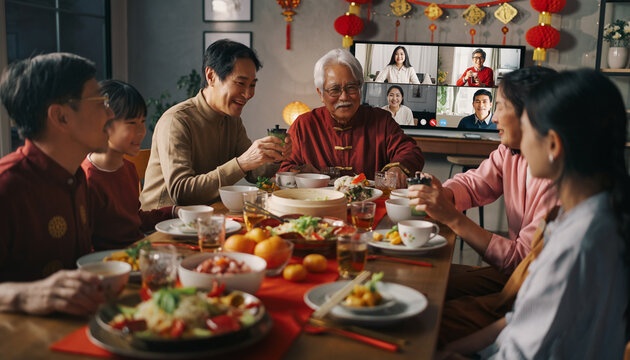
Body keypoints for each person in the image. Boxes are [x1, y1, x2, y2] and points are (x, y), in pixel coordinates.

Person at [441, 69, 629, 360]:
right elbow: (523, 318)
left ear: (553, 144)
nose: (518, 146)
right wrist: (456, 349)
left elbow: (521, 351)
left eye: (527, 130)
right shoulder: (588, 215)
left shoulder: (577, 243)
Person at [408, 67, 558, 345]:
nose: (495, 116)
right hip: (515, 274)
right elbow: (475, 182)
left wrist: (453, 218)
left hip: (531, 285)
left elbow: (520, 261)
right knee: (417, 284)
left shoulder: (555, 174)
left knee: (423, 316)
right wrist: (444, 194)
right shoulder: (509, 152)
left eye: (500, 106)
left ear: (532, 114)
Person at [0, 53, 111, 315]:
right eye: (100, 102)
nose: (110, 112)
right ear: (60, 117)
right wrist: (25, 295)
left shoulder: (77, 175)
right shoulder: (7, 186)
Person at [140, 39, 291, 209]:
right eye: (240, 83)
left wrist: (274, 156)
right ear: (211, 76)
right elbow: (181, 193)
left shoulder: (232, 120)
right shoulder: (176, 121)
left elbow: (253, 174)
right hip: (162, 224)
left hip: (210, 216)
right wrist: (242, 163)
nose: (248, 94)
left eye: (252, 85)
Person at [279, 48, 424, 188]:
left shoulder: (381, 120)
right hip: (319, 207)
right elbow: (284, 167)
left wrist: (398, 168)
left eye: (351, 88)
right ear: (321, 94)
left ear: (360, 89)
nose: (344, 97)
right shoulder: (304, 125)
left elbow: (411, 151)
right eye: (335, 90)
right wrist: (300, 173)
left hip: (368, 207)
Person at [81, 80, 175, 250]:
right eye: (132, 123)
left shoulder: (128, 168)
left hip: (138, 252)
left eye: (142, 121)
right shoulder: (87, 179)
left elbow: (134, 220)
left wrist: (174, 212)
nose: (141, 131)